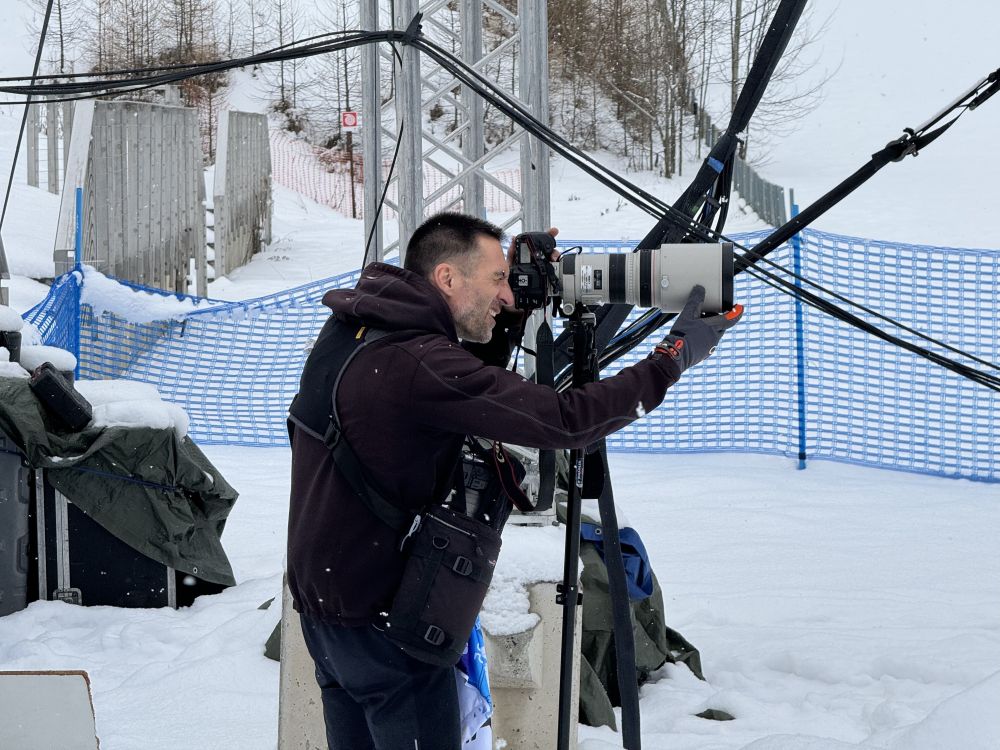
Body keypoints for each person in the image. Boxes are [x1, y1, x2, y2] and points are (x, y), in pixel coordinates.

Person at [286, 212, 743, 750]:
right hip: (386, 630)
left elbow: (461, 385)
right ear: (449, 279)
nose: (505, 296)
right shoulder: (417, 362)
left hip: (328, 616)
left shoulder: (357, 328)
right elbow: (565, 420)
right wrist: (672, 358)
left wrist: (518, 304)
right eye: (497, 280)